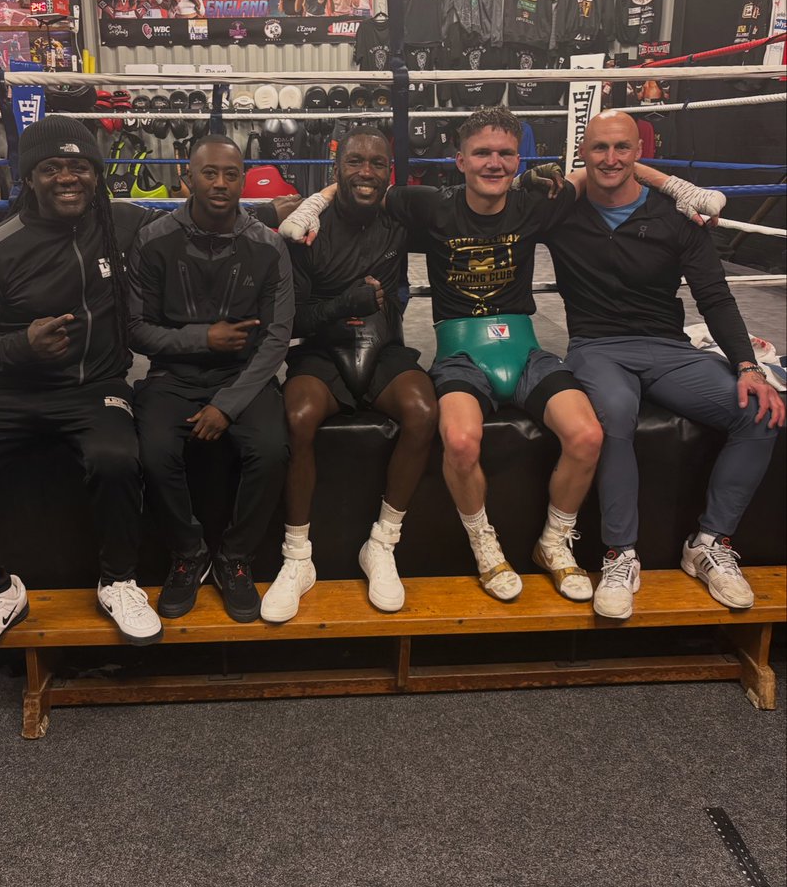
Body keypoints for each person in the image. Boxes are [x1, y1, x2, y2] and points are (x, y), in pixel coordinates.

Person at [281, 106, 605, 603]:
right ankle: (485, 546)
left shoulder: (536, 203)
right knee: (457, 439)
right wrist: (309, 207)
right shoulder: (429, 206)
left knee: (587, 434)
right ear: (459, 160)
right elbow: (362, 185)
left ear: (519, 160)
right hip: (461, 351)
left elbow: (608, 171)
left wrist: (558, 176)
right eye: (481, 153)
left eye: (505, 154)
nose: (493, 163)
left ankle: (554, 544)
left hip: (524, 347)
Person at [0, 117, 163, 671]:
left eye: (79, 167)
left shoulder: (121, 221)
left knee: (117, 458)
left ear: (97, 175)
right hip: (8, 390)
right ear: (30, 178)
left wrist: (295, 210)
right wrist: (17, 347)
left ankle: (119, 581)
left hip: (93, 388)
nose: (67, 178)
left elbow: (194, 221)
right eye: (52, 168)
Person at [547, 110, 784, 619]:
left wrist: (747, 365)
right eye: (599, 148)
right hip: (597, 346)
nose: (611, 159)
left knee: (759, 411)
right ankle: (619, 554)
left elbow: (715, 297)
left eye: (622, 148)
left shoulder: (677, 217)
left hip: (668, 349)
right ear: (583, 154)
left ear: (638, 152)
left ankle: (709, 543)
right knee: (612, 414)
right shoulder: (561, 212)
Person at [263, 129, 438, 623]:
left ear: (390, 171)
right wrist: (344, 305)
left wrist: (536, 184)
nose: (367, 172)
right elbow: (292, 321)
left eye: (378, 164)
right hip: (321, 348)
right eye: (356, 162)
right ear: (337, 166)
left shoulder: (401, 217)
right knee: (296, 416)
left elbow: (467, 203)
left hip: (384, 348)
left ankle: (382, 544)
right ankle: (297, 556)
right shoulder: (307, 227)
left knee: (424, 410)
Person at [128, 134, 295, 625]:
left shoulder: (267, 245)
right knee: (153, 452)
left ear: (242, 178)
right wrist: (203, 338)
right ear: (188, 177)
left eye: (230, 174)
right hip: (173, 376)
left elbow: (277, 336)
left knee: (271, 450)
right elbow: (136, 328)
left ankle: (235, 557)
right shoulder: (153, 240)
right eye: (209, 173)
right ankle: (188, 552)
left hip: (244, 378)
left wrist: (229, 403)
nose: (220, 183)